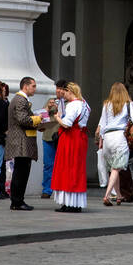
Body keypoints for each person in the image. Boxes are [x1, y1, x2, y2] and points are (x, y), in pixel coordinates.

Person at [51, 82, 90, 212]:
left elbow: (66, 124)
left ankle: (68, 203)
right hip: (80, 138)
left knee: (67, 169)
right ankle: (75, 203)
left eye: (65, 92)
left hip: (70, 139)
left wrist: (57, 117)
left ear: (70, 91)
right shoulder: (85, 104)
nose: (64, 94)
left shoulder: (73, 105)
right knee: (77, 170)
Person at [6, 76, 40, 210]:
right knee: (21, 172)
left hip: (22, 140)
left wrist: (38, 123)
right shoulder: (20, 100)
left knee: (20, 172)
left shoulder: (20, 99)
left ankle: (17, 201)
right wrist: (39, 119)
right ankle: (17, 201)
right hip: (21, 141)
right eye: (33, 86)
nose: (35, 88)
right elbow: (23, 119)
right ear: (26, 86)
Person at [97, 82, 133, 206]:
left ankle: (118, 195)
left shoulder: (106, 104)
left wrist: (101, 140)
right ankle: (107, 195)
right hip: (119, 136)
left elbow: (102, 123)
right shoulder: (128, 104)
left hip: (107, 137)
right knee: (116, 168)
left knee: (113, 168)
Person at [40, 78, 67, 198]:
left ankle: (60, 188)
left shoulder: (69, 103)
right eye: (57, 88)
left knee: (62, 164)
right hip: (48, 136)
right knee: (48, 164)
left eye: (61, 89)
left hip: (61, 136)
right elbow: (41, 117)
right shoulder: (50, 101)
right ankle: (47, 189)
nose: (59, 91)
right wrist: (47, 108)